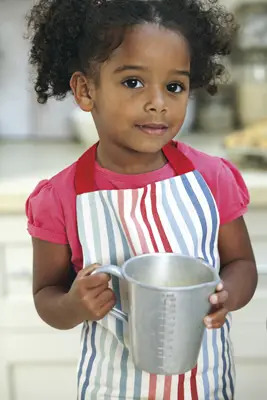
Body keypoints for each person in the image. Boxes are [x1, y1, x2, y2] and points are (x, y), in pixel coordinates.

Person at [25, 0, 258, 398]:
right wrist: (75, 306)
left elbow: (241, 263)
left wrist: (228, 294)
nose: (158, 102)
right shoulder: (60, 198)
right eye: (133, 82)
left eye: (175, 86)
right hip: (112, 387)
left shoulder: (212, 179)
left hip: (205, 386)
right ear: (85, 90)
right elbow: (47, 298)